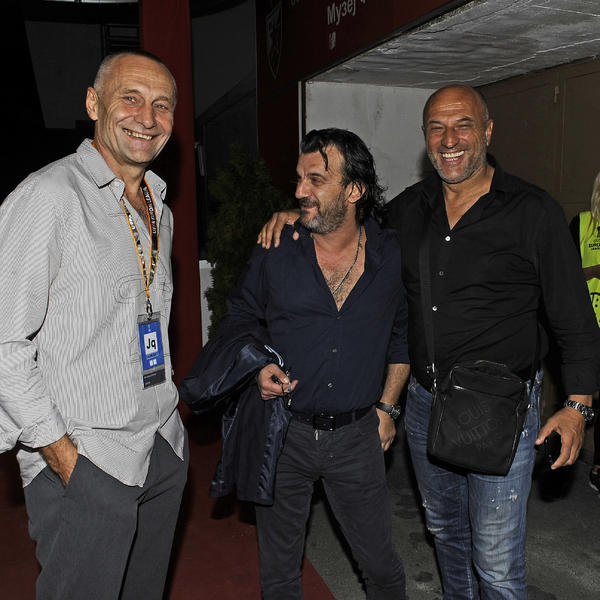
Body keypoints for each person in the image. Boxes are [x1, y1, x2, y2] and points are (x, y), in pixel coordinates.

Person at [258, 86, 599, 598]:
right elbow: (344, 227)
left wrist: (577, 406)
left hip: (501, 406)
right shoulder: (406, 211)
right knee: (446, 536)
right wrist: (297, 216)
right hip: (424, 404)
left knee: (496, 564)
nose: (449, 139)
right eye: (436, 128)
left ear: (488, 131)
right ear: (425, 138)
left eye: (463, 125)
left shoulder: (533, 212)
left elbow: (574, 319)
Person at [188, 128, 409, 599]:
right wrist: (256, 367)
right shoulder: (277, 249)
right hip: (284, 432)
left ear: (354, 190)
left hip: (356, 438)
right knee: (281, 575)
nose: (299, 191)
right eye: (298, 178)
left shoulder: (390, 254)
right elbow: (239, 318)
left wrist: (388, 408)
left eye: (316, 180)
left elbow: (401, 336)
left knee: (382, 569)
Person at [0, 50, 188, 600]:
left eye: (162, 105)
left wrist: (170, 444)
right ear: (93, 103)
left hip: (160, 445)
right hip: (88, 460)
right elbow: (4, 343)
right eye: (130, 98)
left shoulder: (158, 207)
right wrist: (64, 458)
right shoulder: (48, 196)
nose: (147, 117)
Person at [569, 171, 600, 495]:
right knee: (583, 398)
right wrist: (593, 271)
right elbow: (561, 275)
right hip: (589, 328)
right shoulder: (582, 224)